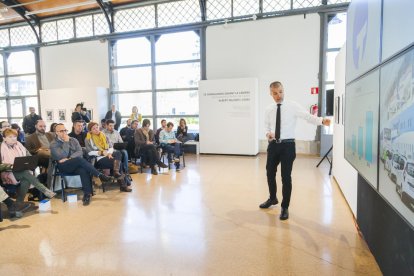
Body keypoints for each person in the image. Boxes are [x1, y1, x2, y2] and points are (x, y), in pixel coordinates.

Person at [260, 81, 331, 220]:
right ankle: (272, 198)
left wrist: (322, 121)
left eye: (280, 91)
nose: (278, 95)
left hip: (288, 146)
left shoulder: (292, 106)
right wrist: (268, 134)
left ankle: (285, 207)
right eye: (275, 93)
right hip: (273, 145)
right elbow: (266, 126)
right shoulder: (269, 109)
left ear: (283, 90)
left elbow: (307, 116)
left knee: (286, 177)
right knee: (269, 173)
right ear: (271, 94)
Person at [50, 123, 114, 206]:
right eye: (61, 131)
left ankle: (87, 195)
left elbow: (80, 152)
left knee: (83, 169)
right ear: (56, 132)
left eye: (65, 130)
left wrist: (70, 158)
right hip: (64, 167)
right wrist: (66, 142)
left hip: (75, 164)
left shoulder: (73, 140)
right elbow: (62, 155)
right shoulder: (53, 144)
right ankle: (100, 175)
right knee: (80, 160)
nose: (64, 133)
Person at [0, 129, 56, 202]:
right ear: (4, 138)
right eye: (10, 137)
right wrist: (9, 166)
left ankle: (18, 204)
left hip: (22, 170)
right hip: (7, 172)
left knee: (26, 180)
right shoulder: (1, 148)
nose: (13, 139)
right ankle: (44, 190)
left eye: (14, 136)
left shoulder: (19, 145)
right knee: (25, 173)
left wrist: (31, 163)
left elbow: (29, 157)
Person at [85, 122, 132, 192]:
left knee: (118, 153)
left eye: (97, 127)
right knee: (119, 163)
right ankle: (122, 183)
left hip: (108, 155)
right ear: (90, 130)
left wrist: (109, 153)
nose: (96, 129)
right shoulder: (88, 138)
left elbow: (111, 147)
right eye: (93, 128)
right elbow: (89, 152)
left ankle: (116, 173)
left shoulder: (103, 135)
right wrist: (101, 152)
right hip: (98, 159)